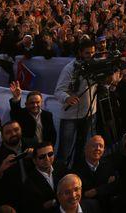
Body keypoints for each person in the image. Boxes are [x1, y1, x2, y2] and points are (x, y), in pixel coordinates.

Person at [55, 38, 98, 166]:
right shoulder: (69, 69)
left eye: (92, 53)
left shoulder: (95, 65)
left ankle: (77, 173)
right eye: (87, 53)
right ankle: (60, 177)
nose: (90, 56)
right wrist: (67, 98)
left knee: (82, 149)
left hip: (89, 114)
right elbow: (58, 91)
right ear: (80, 53)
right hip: (70, 117)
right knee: (65, 151)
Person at [0, 121, 32, 210]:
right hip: (11, 203)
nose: (13, 134)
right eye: (8, 132)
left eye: (16, 130)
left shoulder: (32, 145)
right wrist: (1, 169)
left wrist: (36, 156)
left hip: (34, 198)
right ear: (2, 137)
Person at [70, 135, 117, 210]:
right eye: (94, 146)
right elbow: (82, 194)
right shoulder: (76, 168)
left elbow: (114, 185)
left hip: (106, 205)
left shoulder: (108, 164)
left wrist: (96, 191)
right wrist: (105, 186)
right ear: (86, 149)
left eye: (101, 146)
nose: (98, 148)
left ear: (104, 150)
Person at [9, 81, 57, 147]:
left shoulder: (47, 115)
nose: (35, 105)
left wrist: (50, 147)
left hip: (44, 149)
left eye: (38, 102)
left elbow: (52, 134)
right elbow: (15, 112)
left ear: (42, 103)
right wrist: (16, 98)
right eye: (32, 103)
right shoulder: (21, 114)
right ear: (26, 104)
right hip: (27, 151)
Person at [24, 141, 67, 212]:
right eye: (42, 157)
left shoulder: (61, 168)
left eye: (50, 154)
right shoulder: (30, 182)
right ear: (34, 161)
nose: (47, 159)